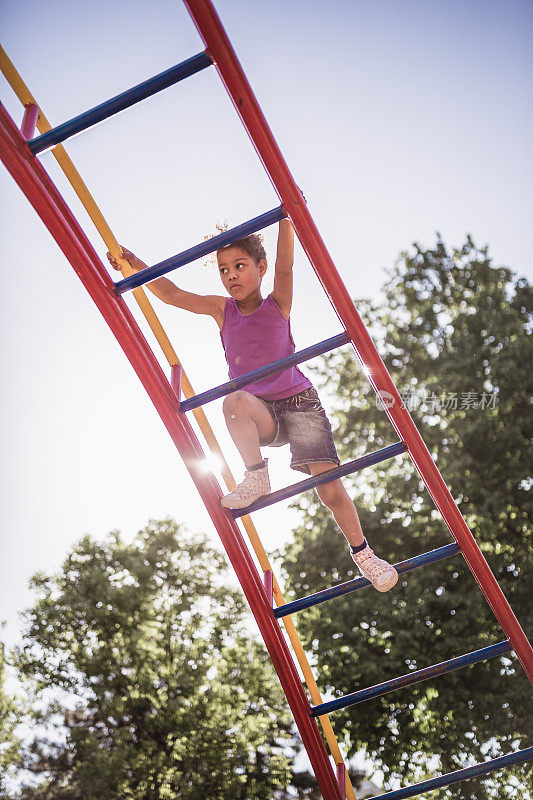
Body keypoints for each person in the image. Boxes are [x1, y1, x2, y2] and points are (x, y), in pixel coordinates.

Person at [107, 220, 398, 592]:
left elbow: (285, 266)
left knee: (329, 490)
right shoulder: (222, 310)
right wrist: (137, 266)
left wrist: (286, 220)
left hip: (300, 404)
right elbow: (174, 295)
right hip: (261, 411)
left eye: (240, 265)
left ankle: (364, 555)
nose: (231, 276)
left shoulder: (278, 303)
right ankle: (256, 474)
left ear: (260, 268)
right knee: (234, 401)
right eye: (224, 270)